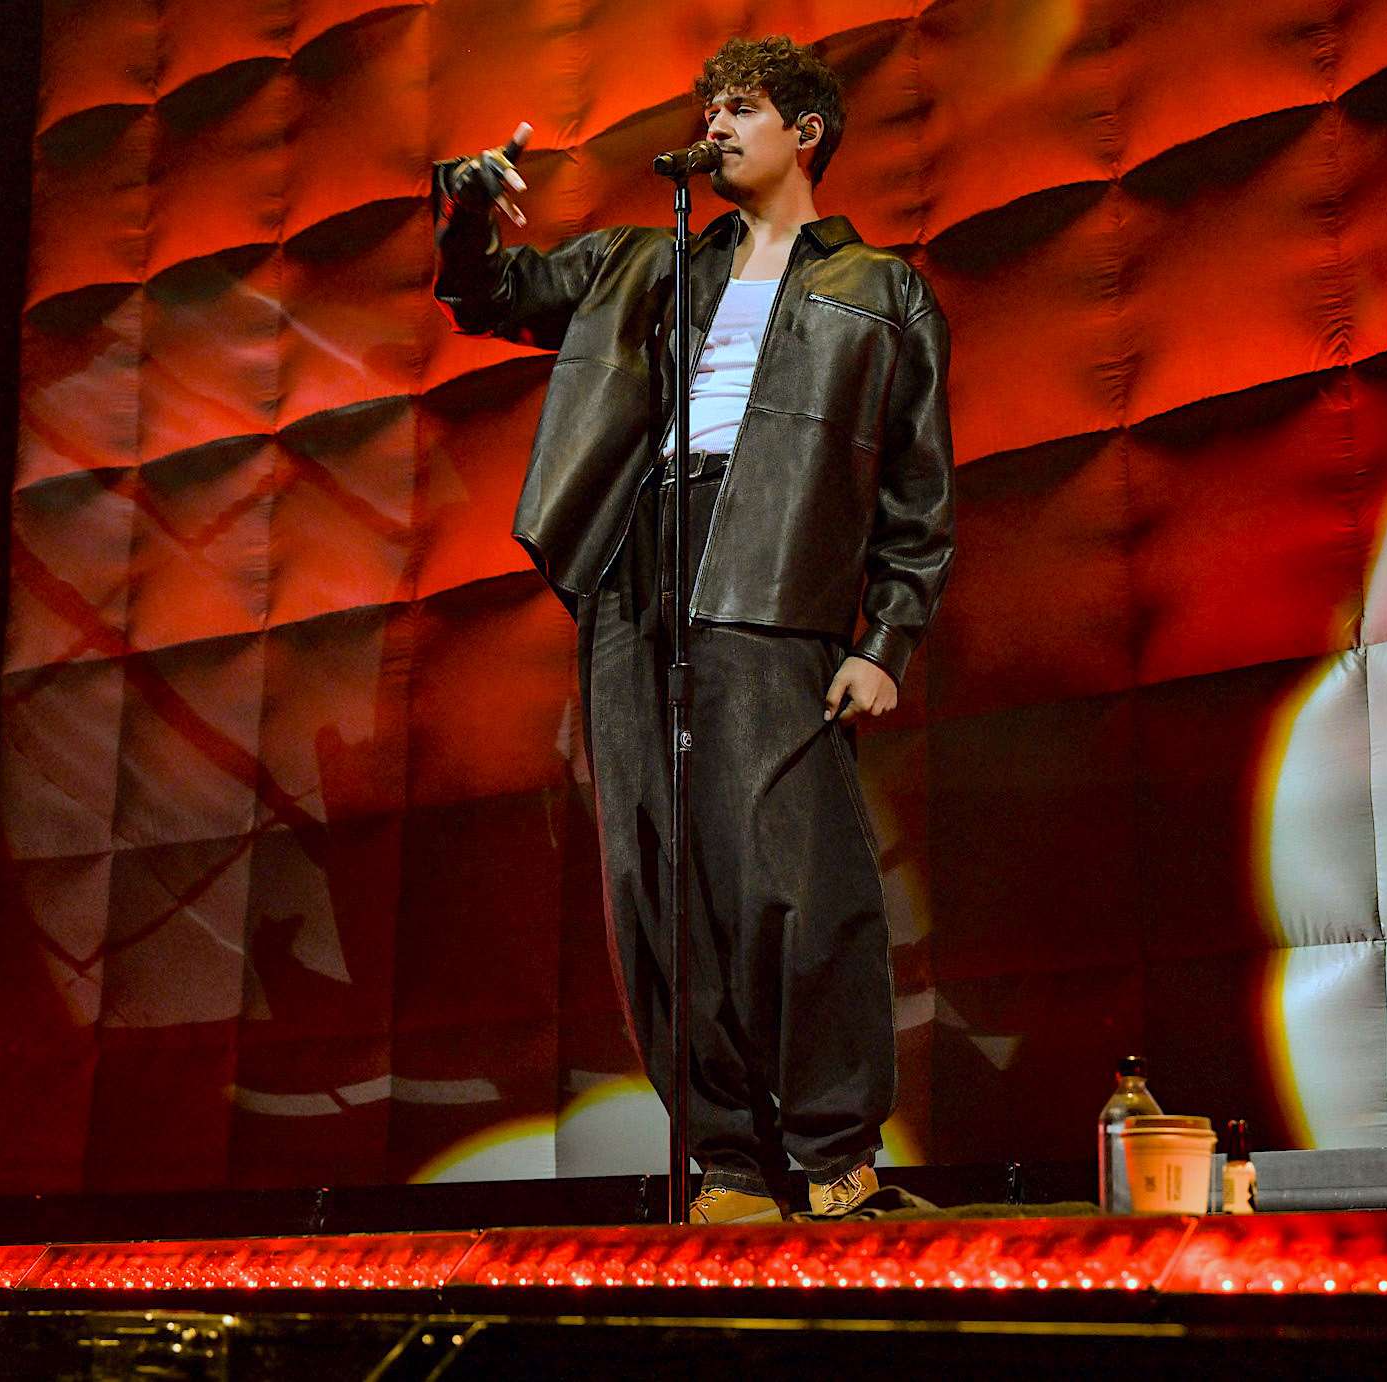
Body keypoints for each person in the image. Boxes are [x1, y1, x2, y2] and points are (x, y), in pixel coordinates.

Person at [431, 35, 954, 1223]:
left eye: (741, 107)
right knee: (655, 875)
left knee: (793, 875)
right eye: (708, 106)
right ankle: (726, 1159)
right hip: (639, 570)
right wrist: (464, 213)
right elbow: (490, 295)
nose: (713, 124)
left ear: (804, 132)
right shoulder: (646, 260)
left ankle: (833, 1152)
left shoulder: (880, 289)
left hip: (776, 577)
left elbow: (917, 492)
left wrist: (885, 641)